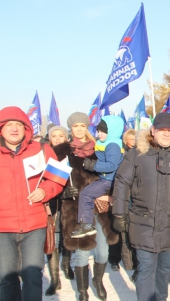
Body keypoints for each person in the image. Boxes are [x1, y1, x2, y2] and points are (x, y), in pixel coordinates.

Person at [112, 113, 170, 301]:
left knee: (164, 268)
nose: (166, 134)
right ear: (153, 131)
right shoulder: (137, 154)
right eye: (162, 130)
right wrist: (119, 214)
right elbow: (121, 183)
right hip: (143, 222)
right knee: (145, 268)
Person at [0, 106, 64, 301]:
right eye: (9, 124)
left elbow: (58, 178)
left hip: (34, 225)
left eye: (18, 124)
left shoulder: (42, 149)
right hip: (3, 227)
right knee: (6, 279)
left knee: (32, 277)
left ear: (26, 128)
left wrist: (45, 190)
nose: (14, 129)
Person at [54, 112, 119, 301]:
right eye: (76, 126)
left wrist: (110, 195)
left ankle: (98, 281)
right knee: (82, 250)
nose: (80, 129)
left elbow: (114, 173)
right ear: (71, 129)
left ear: (87, 127)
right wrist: (64, 193)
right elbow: (53, 180)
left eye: (83, 125)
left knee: (102, 251)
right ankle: (82, 291)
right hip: (75, 208)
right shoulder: (63, 151)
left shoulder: (100, 147)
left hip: (99, 204)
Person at [71, 115, 124, 239]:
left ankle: (86, 224)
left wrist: (93, 165)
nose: (99, 134)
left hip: (108, 180)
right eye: (98, 131)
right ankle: (86, 224)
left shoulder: (113, 146)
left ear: (111, 131)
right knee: (86, 194)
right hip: (106, 178)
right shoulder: (107, 142)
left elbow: (111, 165)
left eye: (102, 132)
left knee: (85, 194)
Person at [45, 125, 70, 296]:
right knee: (52, 238)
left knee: (67, 233)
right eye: (54, 136)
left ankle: (67, 266)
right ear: (50, 138)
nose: (58, 138)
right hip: (50, 200)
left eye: (61, 135)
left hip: (69, 200)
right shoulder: (44, 154)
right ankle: (55, 279)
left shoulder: (72, 155)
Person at [108, 127, 137, 272]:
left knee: (132, 231)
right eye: (132, 139)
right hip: (121, 195)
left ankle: (133, 262)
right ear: (126, 141)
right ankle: (117, 260)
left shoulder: (140, 153)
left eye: (136, 139)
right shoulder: (120, 154)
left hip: (135, 196)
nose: (134, 141)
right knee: (119, 231)